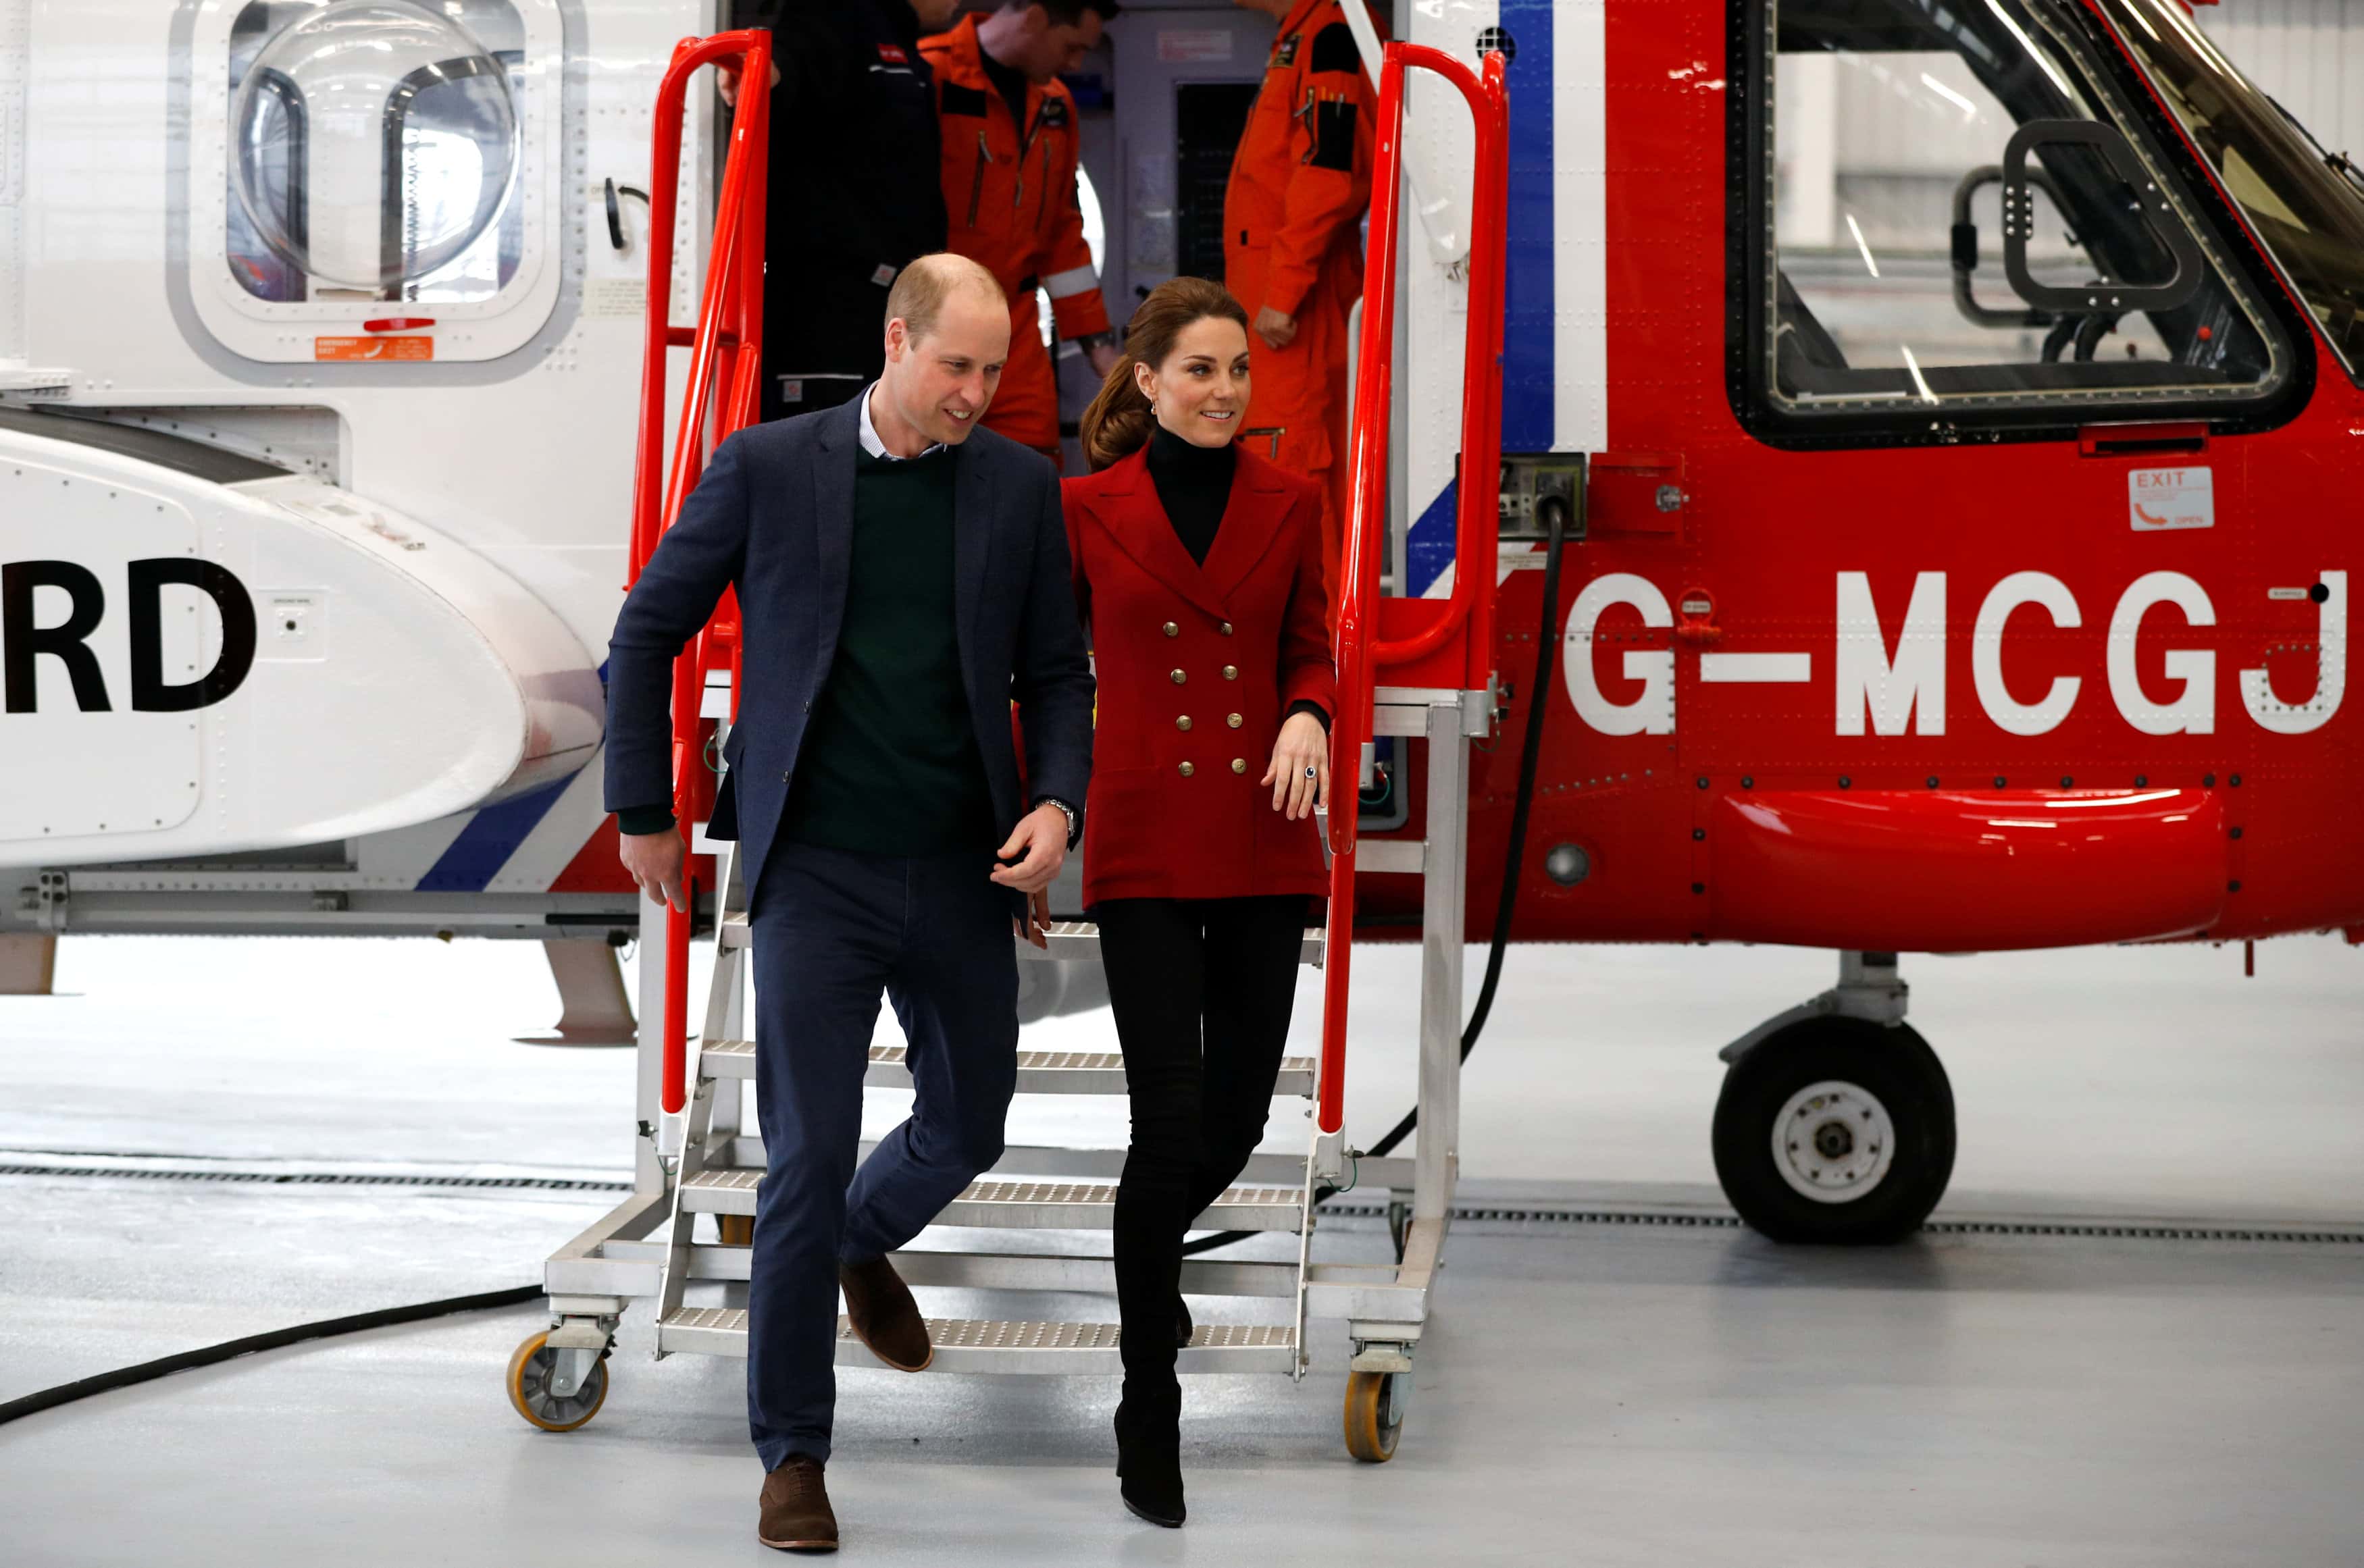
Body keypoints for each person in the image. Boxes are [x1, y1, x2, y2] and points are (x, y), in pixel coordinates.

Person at [606, 253, 1095, 1553]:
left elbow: (1056, 674)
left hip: (957, 866)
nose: (977, 396)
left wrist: (1059, 804)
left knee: (969, 1123)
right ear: (897, 341)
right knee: (804, 1154)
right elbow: (646, 629)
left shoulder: (1018, 488)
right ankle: (793, 1457)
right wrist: (644, 808)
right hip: (814, 866)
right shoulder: (771, 467)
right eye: (956, 367)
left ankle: (849, 1243)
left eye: (995, 372)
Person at [1059, 277, 1335, 1527]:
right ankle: (1145, 1404)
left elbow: (1313, 641)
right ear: (1150, 379)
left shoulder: (1295, 501)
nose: (1226, 390)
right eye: (1203, 370)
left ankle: (1148, 1263)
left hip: (1265, 831)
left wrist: (1308, 709)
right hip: (1148, 837)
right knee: (1168, 1122)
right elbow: (1050, 672)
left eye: (1239, 370)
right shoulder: (1084, 509)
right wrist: (1036, 808)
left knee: (1234, 1113)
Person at [721, 0, 962, 423]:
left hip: (891, 313)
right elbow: (795, 62)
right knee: (826, 470)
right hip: (827, 319)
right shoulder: (836, 15)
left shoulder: (902, 48)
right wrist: (762, 74)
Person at [1222, 0, 1380, 600]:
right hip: (1277, 296)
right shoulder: (1306, 36)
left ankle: (1318, 665)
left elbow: (1328, 171)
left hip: (1294, 305)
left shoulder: (1329, 34)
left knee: (1292, 474)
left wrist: (1283, 292)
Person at [921, 0, 1125, 465]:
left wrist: (1102, 354)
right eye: (1071, 47)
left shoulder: (1056, 105)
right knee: (930, 479)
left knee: (1033, 478)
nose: (1074, 64)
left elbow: (1063, 239)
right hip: (935, 326)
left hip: (1017, 335)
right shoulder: (931, 74)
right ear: (1035, 17)